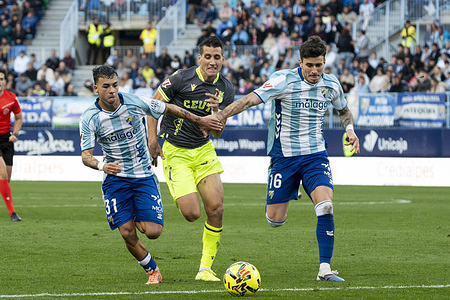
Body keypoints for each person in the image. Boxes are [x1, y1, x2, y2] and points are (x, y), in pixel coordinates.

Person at [207, 36, 360, 282]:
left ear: (324, 63)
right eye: (309, 65)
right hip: (284, 157)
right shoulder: (283, 80)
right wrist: (221, 115)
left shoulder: (331, 85)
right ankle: (290, 189)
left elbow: (343, 110)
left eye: (319, 65)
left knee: (326, 206)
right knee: (274, 221)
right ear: (300, 62)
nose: (314, 71)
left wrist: (350, 129)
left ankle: (325, 269)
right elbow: (249, 100)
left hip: (315, 155)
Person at [80, 65, 222, 285]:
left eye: (115, 85)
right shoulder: (90, 118)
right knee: (127, 233)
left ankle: (132, 213)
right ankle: (152, 270)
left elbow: (168, 108)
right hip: (115, 179)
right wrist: (101, 166)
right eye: (106, 86)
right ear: (96, 89)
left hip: (143, 175)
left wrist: (199, 120)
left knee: (154, 232)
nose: (112, 91)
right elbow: (86, 156)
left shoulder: (135, 102)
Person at [148, 36, 235, 282]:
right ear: (199, 58)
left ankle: (205, 269)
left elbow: (218, 131)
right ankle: (175, 189)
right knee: (192, 213)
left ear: (222, 60)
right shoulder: (180, 78)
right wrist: (152, 141)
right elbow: (155, 104)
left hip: (204, 151)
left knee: (216, 209)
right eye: (207, 56)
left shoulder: (226, 89)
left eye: (217, 57)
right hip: (176, 151)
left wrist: (217, 112)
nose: (212, 61)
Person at [0, 69, 22, 222]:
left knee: (7, 180)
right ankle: (12, 213)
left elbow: (19, 118)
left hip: (6, 140)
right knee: (3, 174)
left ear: (5, 81)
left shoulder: (11, 97)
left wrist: (15, 134)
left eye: (1, 79)